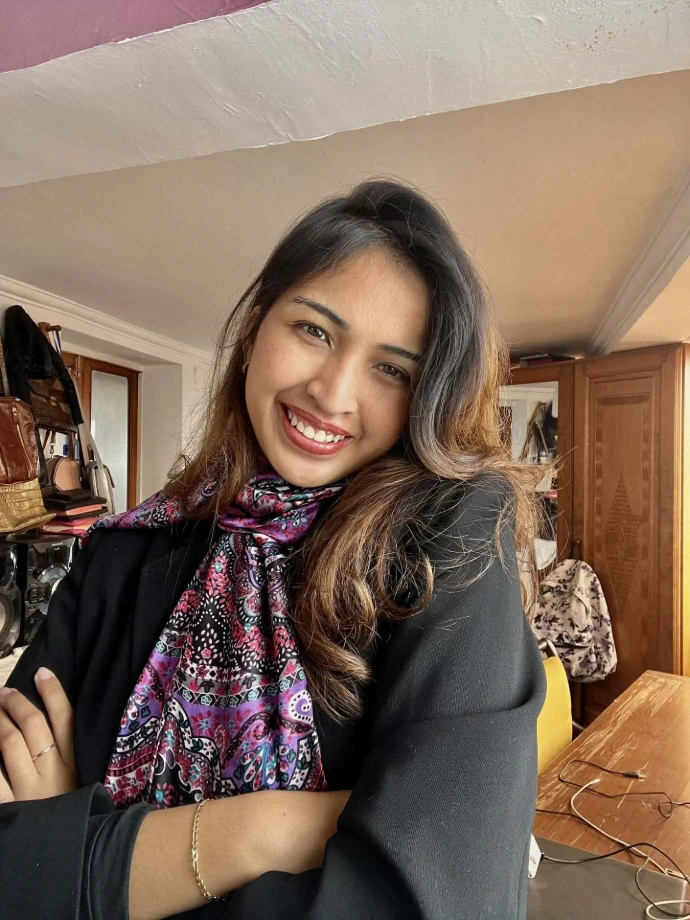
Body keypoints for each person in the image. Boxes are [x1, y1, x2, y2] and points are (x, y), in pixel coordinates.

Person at [0, 179, 546, 920]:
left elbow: (441, 900)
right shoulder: (126, 551)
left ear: (426, 399)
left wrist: (72, 857)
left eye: (392, 369)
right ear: (258, 327)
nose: (333, 393)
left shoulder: (446, 556)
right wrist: (263, 830)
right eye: (314, 331)